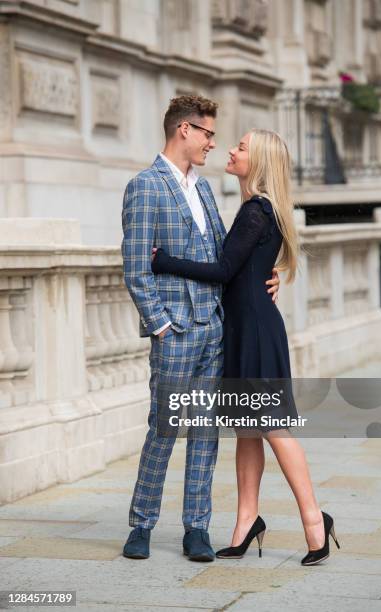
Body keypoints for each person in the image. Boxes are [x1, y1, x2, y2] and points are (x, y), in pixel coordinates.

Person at [152, 129, 341, 565]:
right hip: (245, 328)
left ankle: (316, 522)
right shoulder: (258, 209)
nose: (231, 151)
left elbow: (221, 270)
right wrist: (263, 277)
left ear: (256, 161)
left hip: (254, 331)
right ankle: (245, 523)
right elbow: (243, 269)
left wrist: (161, 261)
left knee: (274, 427)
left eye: (240, 147)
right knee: (247, 429)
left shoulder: (257, 210)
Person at [121, 96, 280, 562]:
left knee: (206, 432)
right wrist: (161, 325)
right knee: (164, 428)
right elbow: (135, 268)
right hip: (175, 331)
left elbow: (225, 258)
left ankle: (197, 528)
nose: (214, 142)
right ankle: (142, 524)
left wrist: (268, 276)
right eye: (208, 133)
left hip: (214, 328)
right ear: (184, 130)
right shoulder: (145, 186)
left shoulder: (206, 189)